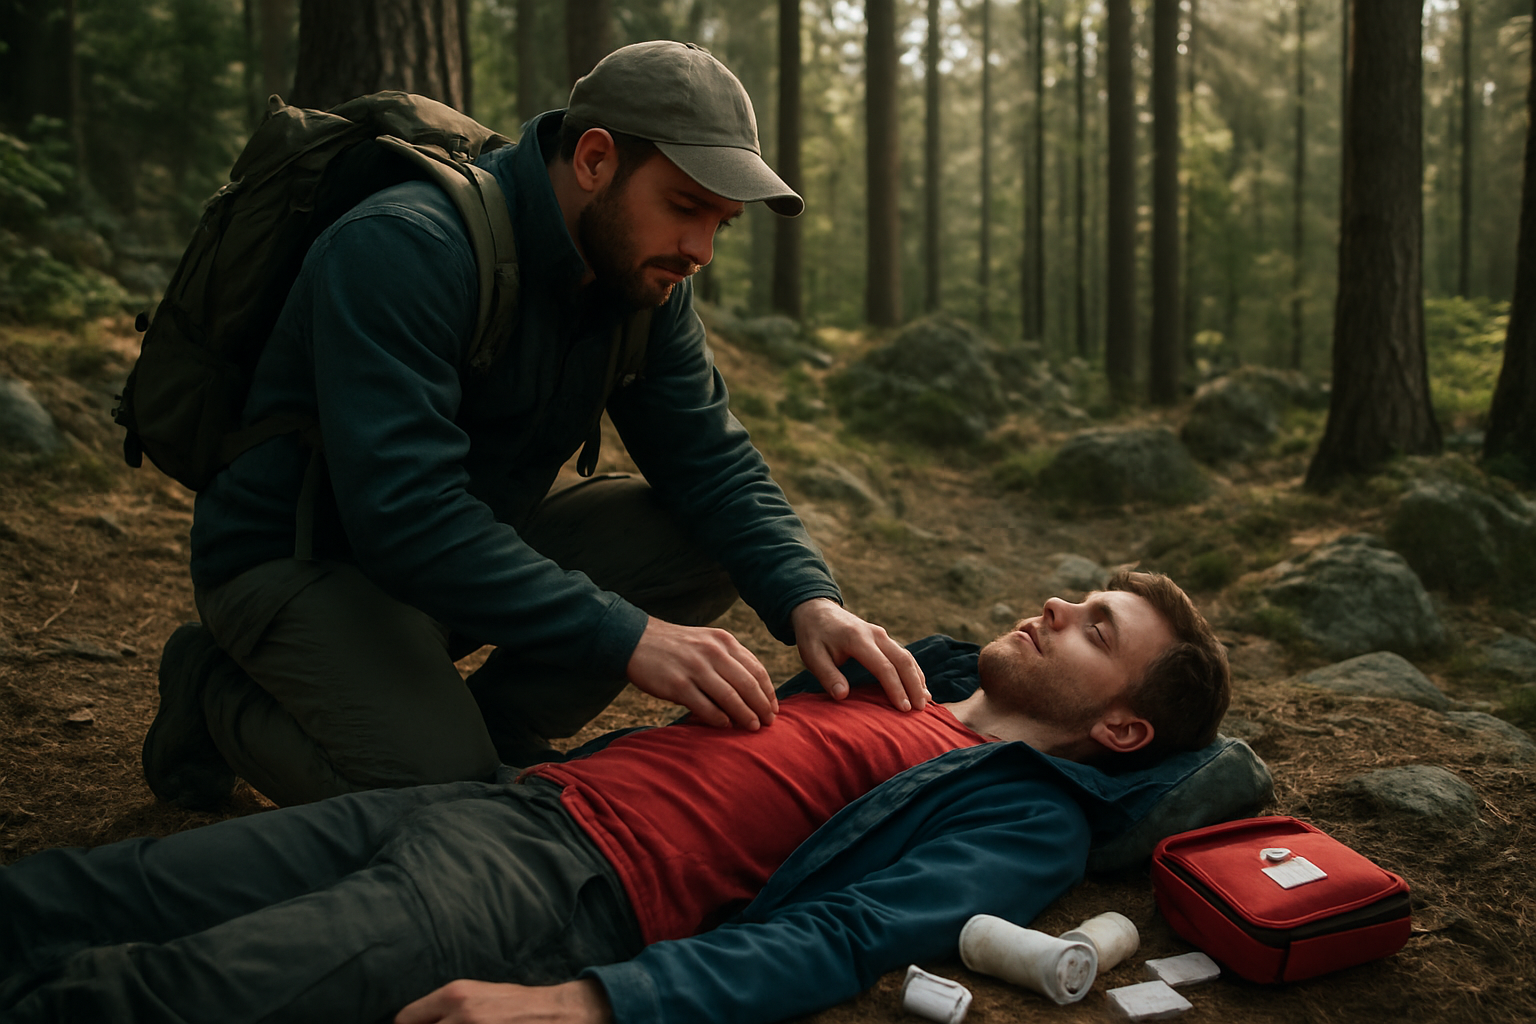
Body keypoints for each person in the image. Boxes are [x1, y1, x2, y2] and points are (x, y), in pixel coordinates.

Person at [147, 40, 926, 811]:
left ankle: (488, 735)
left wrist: (809, 600)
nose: (700, 250)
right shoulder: (407, 244)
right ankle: (213, 693)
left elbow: (712, 464)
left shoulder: (645, 276)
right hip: (299, 560)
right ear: (594, 160)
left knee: (703, 541)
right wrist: (626, 634)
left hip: (443, 567)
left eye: (722, 223)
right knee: (437, 805)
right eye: (686, 207)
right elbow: (405, 516)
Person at [2, 572, 1236, 1024]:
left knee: (178, 991)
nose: (1061, 603)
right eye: (1082, 592)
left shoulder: (1026, 811)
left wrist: (589, 1003)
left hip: (559, 893)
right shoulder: (907, 672)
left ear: (1120, 723)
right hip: (498, 802)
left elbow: (843, 935)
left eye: (1098, 627)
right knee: (113, 888)